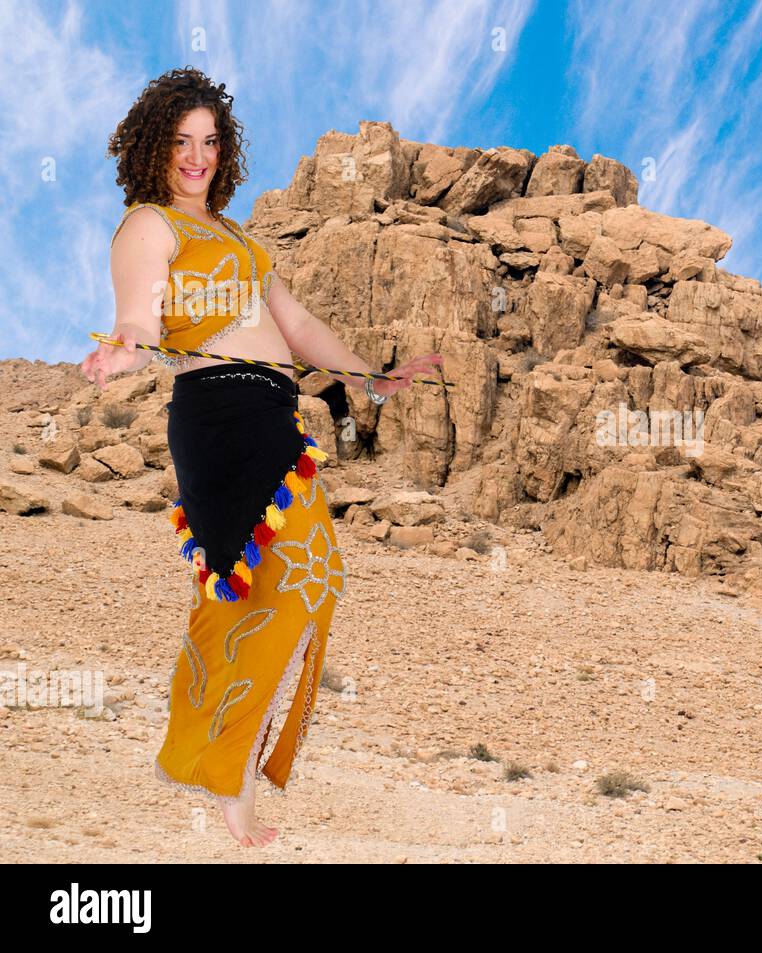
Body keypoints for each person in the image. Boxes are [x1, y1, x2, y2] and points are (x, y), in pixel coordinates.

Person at [80, 67, 441, 848]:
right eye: (180, 142)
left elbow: (299, 323)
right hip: (219, 414)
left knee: (248, 593)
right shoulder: (149, 226)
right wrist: (122, 353)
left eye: (210, 141)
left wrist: (367, 376)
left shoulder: (241, 239)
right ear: (154, 146)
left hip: (271, 412)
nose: (196, 157)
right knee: (305, 574)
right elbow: (140, 316)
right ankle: (231, 775)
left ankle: (203, 754)